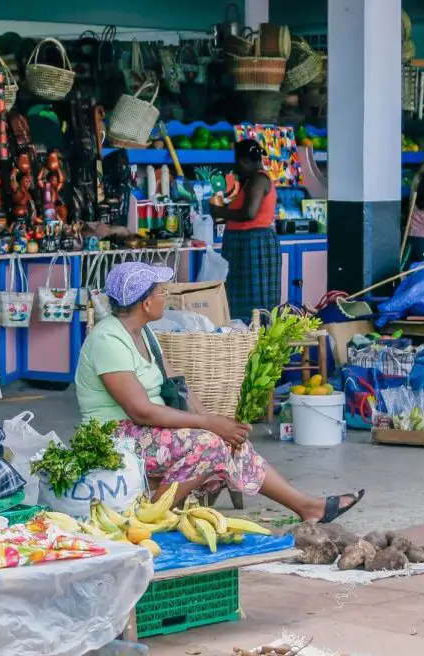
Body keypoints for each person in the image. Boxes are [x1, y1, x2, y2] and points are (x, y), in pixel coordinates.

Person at [74, 260, 364, 523]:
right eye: (162, 292)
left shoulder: (144, 333)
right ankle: (150, 515)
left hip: (143, 429)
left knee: (226, 441)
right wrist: (209, 425)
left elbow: (177, 383)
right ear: (146, 303)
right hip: (115, 435)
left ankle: (306, 507)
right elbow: (140, 410)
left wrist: (215, 421)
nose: (166, 297)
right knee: (208, 444)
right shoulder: (108, 340)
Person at [210, 139, 280, 322]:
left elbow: (249, 213)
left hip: (253, 244)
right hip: (245, 244)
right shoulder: (252, 181)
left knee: (255, 301)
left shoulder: (259, 179)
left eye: (237, 163)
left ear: (243, 161)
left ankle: (257, 341)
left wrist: (221, 212)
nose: (237, 168)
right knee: (243, 298)